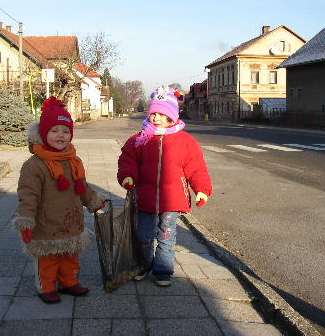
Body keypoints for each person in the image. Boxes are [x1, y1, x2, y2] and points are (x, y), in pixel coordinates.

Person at [117, 86, 212, 286]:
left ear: (172, 116)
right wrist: (128, 176)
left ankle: (163, 269)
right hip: (145, 197)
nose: (156, 118)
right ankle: (142, 264)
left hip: (172, 198)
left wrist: (201, 189)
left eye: (162, 114)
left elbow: (196, 167)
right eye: (153, 113)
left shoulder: (185, 142)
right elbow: (128, 159)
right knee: (143, 234)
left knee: (166, 235)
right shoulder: (140, 139)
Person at [14, 96, 106, 303]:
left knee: (69, 256)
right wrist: (26, 220)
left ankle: (68, 282)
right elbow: (28, 194)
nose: (60, 136)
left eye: (65, 131)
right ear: (44, 134)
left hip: (71, 221)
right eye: (54, 131)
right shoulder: (35, 165)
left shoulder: (73, 161)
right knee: (48, 258)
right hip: (46, 223)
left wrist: (93, 201)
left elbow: (82, 187)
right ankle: (46, 286)